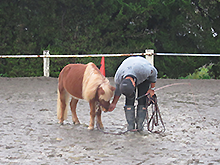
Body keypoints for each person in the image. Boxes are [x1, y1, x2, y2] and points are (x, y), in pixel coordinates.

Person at [108, 56, 158, 131]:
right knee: (129, 99)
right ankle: (131, 126)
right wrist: (114, 103)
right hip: (128, 68)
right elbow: (118, 91)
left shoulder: (144, 71)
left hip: (141, 70)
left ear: (134, 84)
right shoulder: (118, 78)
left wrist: (152, 89)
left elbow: (154, 72)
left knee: (142, 98)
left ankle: (140, 126)